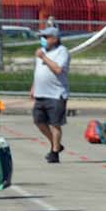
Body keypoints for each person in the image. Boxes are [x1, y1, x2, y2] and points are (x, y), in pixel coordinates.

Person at [31, 24, 70, 163]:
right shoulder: (41, 51)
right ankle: (56, 144)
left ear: (54, 38)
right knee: (38, 121)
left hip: (56, 94)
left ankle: (54, 152)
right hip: (41, 93)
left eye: (46, 37)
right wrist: (33, 87)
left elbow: (58, 69)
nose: (43, 39)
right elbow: (38, 71)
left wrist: (44, 58)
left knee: (55, 124)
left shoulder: (62, 51)